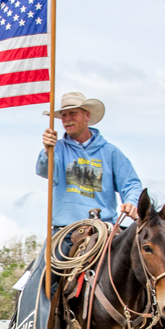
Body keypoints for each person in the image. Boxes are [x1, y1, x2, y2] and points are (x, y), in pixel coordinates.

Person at [37, 92, 142, 228]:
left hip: (104, 227)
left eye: (72, 113)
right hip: (65, 229)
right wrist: (47, 151)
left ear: (87, 116)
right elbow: (45, 171)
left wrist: (132, 202)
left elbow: (131, 184)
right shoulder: (57, 149)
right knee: (46, 251)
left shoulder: (110, 152)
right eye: (63, 115)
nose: (67, 119)